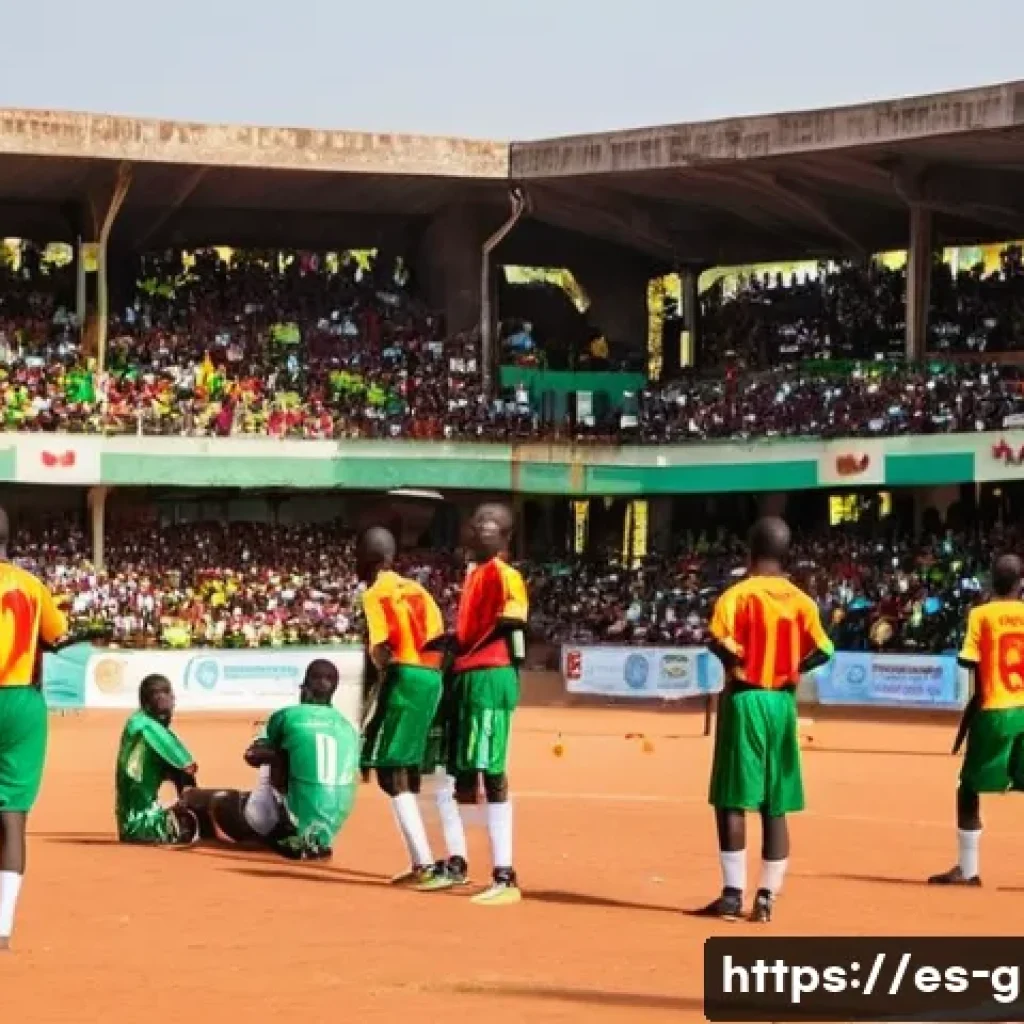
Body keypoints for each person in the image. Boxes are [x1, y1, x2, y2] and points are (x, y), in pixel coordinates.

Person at [700, 516, 834, 923]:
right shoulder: (802, 601)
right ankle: (765, 898)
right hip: (782, 704)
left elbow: (719, 643)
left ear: (749, 551)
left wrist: (744, 665)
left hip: (745, 700)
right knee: (776, 802)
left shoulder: (736, 597)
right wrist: (792, 668)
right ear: (785, 552)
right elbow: (825, 650)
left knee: (732, 799)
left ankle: (730, 896)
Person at [356, 527, 460, 888]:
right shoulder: (420, 590)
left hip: (405, 676)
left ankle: (426, 866)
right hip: (432, 677)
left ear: (367, 558)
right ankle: (427, 860)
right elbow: (441, 640)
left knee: (390, 771)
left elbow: (381, 648)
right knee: (408, 767)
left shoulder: (374, 594)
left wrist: (379, 694)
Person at [184, 659, 359, 860]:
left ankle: (189, 802)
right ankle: (308, 837)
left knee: (217, 800)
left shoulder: (288, 715)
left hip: (282, 819)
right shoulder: (349, 727)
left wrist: (277, 752)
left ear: (306, 688)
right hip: (332, 823)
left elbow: (252, 755)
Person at [442, 503, 528, 905]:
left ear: (504, 535)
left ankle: (505, 874)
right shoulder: (473, 574)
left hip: (490, 676)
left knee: (491, 770)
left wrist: (467, 644)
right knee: (461, 772)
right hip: (468, 675)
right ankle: (458, 863)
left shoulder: (506, 575)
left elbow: (513, 621)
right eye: (473, 523)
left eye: (485, 525)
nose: (475, 530)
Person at [929, 554, 1024, 886]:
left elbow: (968, 660)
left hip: (997, 708)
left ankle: (968, 870)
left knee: (968, 786)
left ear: (990, 582)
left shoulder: (981, 615)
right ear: (1021, 584)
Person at [0, 506, 68, 952]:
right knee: (12, 817)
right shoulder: (32, 584)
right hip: (22, 702)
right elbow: (56, 635)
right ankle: (2, 926)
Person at [115, 675, 200, 845]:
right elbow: (188, 766)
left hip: (127, 823)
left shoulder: (137, 721)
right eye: (170, 697)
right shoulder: (150, 728)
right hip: (143, 826)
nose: (173, 702)